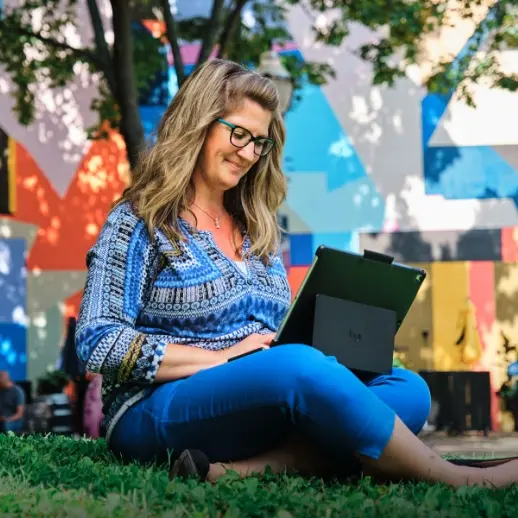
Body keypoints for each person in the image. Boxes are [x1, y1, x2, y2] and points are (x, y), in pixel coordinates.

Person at [76, 58, 518, 488]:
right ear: (199, 123)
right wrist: (224, 360)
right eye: (238, 134)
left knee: (407, 388)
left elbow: (277, 340)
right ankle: (453, 476)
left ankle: (240, 471)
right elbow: (97, 340)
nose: (249, 153)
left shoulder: (257, 229)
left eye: (260, 142)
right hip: (153, 407)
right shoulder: (140, 220)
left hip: (264, 392)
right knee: (297, 366)